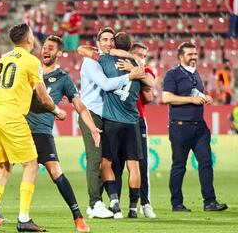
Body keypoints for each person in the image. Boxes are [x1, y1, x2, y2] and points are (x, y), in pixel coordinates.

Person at [0, 23, 66, 232]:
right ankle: (24, 218)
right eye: (33, 35)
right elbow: (43, 96)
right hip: (11, 117)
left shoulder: (4, 58)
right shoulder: (32, 62)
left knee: (4, 168)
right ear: (28, 40)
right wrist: (57, 112)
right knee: (32, 165)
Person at [27, 35, 101, 232]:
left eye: (51, 48)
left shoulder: (63, 79)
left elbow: (80, 106)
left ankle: (78, 218)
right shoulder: (30, 71)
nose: (45, 50)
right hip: (20, 130)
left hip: (42, 132)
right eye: (44, 47)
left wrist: (92, 127)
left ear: (60, 53)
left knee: (56, 171)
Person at [77, 28, 149, 219]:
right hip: (92, 114)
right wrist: (133, 73)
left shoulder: (107, 60)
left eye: (112, 40)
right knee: (98, 160)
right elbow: (107, 84)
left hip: (109, 117)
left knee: (108, 161)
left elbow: (82, 48)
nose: (109, 43)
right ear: (98, 42)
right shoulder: (92, 62)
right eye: (105, 39)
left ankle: (111, 202)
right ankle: (97, 203)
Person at [162, 42, 228, 212]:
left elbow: (193, 93)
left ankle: (210, 202)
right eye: (190, 54)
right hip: (180, 127)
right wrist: (192, 100)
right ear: (180, 56)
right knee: (179, 165)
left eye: (195, 54)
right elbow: (166, 97)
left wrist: (204, 97)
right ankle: (176, 203)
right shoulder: (172, 74)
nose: (193, 57)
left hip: (199, 127)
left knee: (206, 163)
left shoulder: (196, 73)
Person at [112, 42, 157, 218]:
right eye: (138, 54)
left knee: (142, 164)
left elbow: (150, 91)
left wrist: (135, 70)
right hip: (118, 119)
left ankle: (145, 204)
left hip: (138, 120)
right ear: (129, 54)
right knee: (117, 164)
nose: (141, 58)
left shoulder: (146, 70)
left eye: (144, 55)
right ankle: (116, 205)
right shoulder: (119, 67)